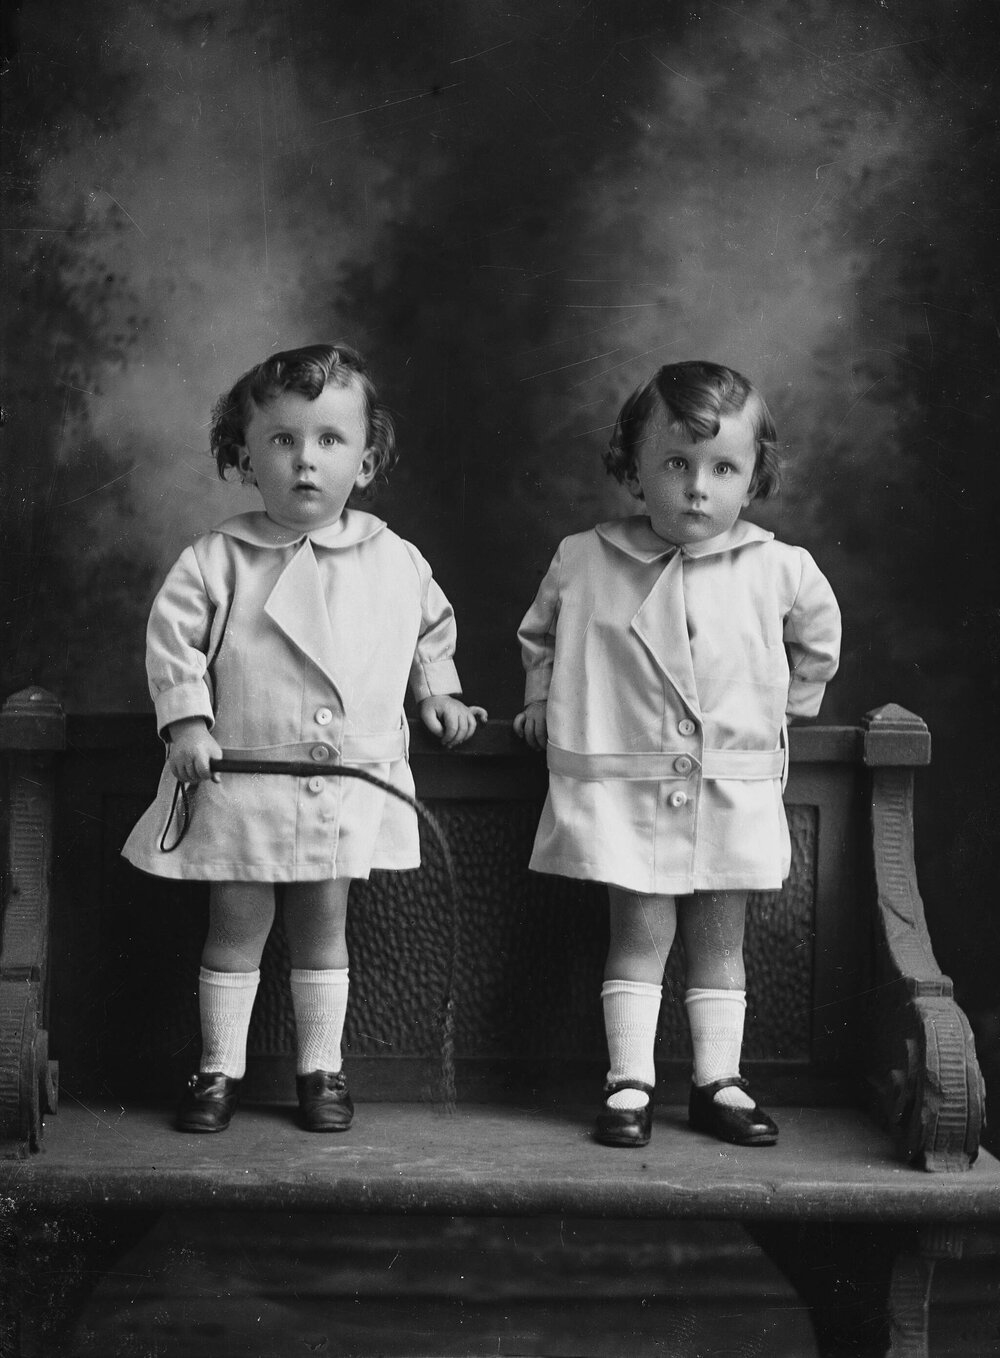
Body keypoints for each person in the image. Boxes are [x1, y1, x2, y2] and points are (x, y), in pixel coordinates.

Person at [123, 343, 485, 1135]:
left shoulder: (394, 558)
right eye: (283, 441)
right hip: (244, 782)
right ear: (244, 457)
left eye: (329, 441)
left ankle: (322, 1069)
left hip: (346, 784)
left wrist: (441, 694)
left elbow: (429, 628)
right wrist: (187, 722)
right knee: (236, 926)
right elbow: (173, 644)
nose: (306, 462)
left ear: (366, 458)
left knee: (325, 929)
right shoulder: (218, 559)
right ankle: (218, 1068)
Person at [514, 360, 840, 1149]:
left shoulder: (777, 567)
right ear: (631, 466)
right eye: (676, 464)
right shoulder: (585, 559)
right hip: (626, 792)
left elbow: (818, 643)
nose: (698, 487)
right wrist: (536, 700)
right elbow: (540, 636)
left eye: (723, 468)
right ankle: (628, 1080)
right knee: (640, 934)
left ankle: (717, 1081)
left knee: (720, 942)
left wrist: (786, 711)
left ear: (754, 476)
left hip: (730, 788)